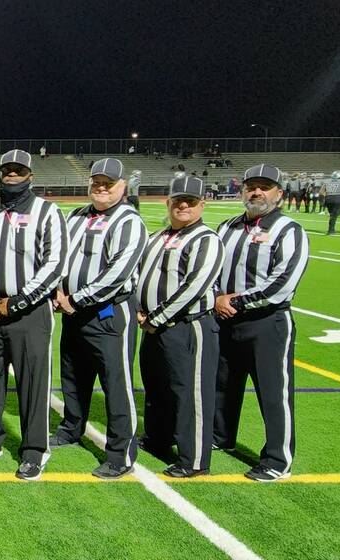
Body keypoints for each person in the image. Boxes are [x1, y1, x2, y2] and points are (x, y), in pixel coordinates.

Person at [0, 149, 65, 481]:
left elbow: (55, 264)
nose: (12, 175)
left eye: (19, 170)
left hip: (29, 314)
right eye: (7, 170)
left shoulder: (47, 212)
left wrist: (16, 302)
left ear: (30, 175)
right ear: (0, 174)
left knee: (33, 383)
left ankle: (34, 450)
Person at [51, 158, 147, 479]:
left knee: (115, 383)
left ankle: (120, 453)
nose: (102, 187)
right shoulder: (77, 215)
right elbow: (59, 255)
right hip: (72, 311)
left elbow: (118, 273)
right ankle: (71, 427)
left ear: (123, 186)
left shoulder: (129, 221)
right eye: (97, 182)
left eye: (109, 183)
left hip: (108, 313)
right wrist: (56, 291)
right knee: (73, 376)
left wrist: (76, 299)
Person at [213, 164, 309, 482]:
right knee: (223, 384)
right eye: (251, 186)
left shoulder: (289, 229)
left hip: (267, 322)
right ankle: (220, 436)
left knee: (273, 392)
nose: (257, 192)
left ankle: (277, 460)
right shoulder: (226, 227)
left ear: (278, 193)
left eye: (265, 187)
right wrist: (217, 298)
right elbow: (209, 268)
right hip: (225, 320)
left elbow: (283, 282)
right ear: (243, 191)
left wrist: (235, 301)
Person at [136, 176, 225, 478]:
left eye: (190, 201)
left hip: (187, 326)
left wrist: (155, 317)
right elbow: (139, 276)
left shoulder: (206, 239)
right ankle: (158, 439)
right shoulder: (158, 235)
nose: (183, 205)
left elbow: (195, 287)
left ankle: (194, 459)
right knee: (157, 386)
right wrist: (139, 309)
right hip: (153, 326)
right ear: (168, 202)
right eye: (178, 200)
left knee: (191, 392)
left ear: (202, 204)